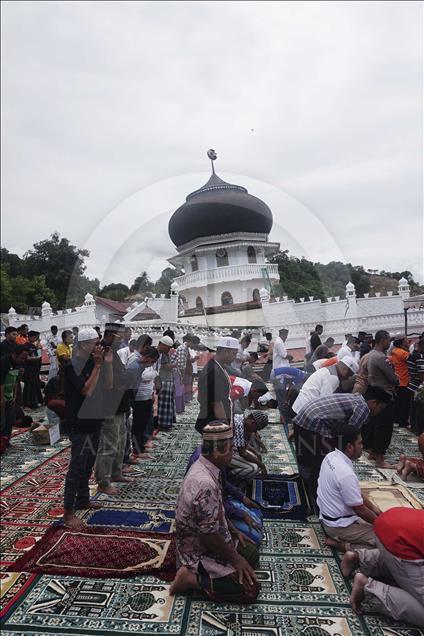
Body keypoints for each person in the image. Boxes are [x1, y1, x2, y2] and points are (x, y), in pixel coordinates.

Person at [170, 422, 260, 603]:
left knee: (251, 553)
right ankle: (190, 579)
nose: (233, 454)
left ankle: (212, 571)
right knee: (249, 590)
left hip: (209, 534)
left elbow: (216, 509)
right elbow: (208, 534)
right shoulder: (205, 483)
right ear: (217, 452)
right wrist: (235, 560)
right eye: (231, 450)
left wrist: (233, 530)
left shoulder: (208, 465)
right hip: (197, 548)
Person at [293, 388, 391, 502]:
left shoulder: (356, 397)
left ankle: (304, 487)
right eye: (380, 408)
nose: (379, 412)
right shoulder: (363, 408)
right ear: (374, 402)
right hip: (313, 423)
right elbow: (349, 435)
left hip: (302, 418)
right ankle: (318, 497)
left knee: (307, 456)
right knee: (323, 460)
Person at [63, 327, 113, 529]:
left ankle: (83, 499)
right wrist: (99, 366)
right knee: (76, 467)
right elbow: (86, 390)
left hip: (94, 420)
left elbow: (108, 386)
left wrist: (106, 364)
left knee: (88, 463)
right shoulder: (73, 365)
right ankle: (68, 512)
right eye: (95, 342)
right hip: (80, 423)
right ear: (84, 345)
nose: (99, 346)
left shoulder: (95, 363)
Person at [341, 508, 424, 627]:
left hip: (390, 520)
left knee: (402, 564)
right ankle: (369, 587)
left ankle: (360, 558)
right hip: (402, 542)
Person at [317, 426, 381, 551]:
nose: (362, 446)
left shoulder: (330, 456)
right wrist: (381, 524)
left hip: (329, 519)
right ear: (350, 447)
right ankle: (346, 547)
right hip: (337, 526)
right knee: (388, 542)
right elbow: (359, 509)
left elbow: (355, 493)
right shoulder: (345, 474)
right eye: (360, 443)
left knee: (376, 521)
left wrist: (375, 510)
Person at [95, 324, 132, 495]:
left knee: (120, 441)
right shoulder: (101, 352)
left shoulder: (113, 350)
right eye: (120, 336)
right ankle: (103, 481)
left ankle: (116, 472)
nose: (123, 339)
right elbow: (104, 382)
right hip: (109, 406)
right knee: (109, 444)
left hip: (120, 405)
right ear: (110, 334)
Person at [363, 330, 399, 467]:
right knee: (385, 427)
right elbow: (393, 378)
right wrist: (397, 378)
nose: (389, 343)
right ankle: (380, 458)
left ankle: (373, 453)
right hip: (384, 394)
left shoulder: (370, 355)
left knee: (376, 424)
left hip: (375, 392)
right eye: (388, 340)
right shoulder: (380, 357)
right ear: (383, 340)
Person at [195, 337, 239, 434]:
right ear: (225, 351)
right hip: (214, 423)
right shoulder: (214, 371)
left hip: (214, 420)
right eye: (234, 354)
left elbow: (200, 398)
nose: (235, 357)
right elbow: (216, 403)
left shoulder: (218, 367)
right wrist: (226, 427)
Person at [292, 357, 359, 415]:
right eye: (349, 375)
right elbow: (325, 403)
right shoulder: (333, 377)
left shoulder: (329, 370)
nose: (347, 378)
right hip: (305, 410)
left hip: (302, 406)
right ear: (344, 369)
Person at [127, 345, 159, 456]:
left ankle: (139, 447)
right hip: (136, 398)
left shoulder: (140, 366)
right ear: (148, 357)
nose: (153, 363)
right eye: (153, 361)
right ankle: (136, 449)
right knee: (138, 424)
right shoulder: (135, 366)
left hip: (140, 396)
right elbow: (128, 385)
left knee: (141, 424)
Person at [0, 344, 30, 447]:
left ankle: (6, 442)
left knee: (10, 419)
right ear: (14, 354)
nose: (23, 360)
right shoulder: (4, 362)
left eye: (25, 358)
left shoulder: (19, 363)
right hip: (2, 395)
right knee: (2, 421)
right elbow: (1, 382)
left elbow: (16, 381)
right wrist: (2, 399)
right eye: (22, 358)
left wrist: (14, 396)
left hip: (9, 395)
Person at [228, 410, 269, 483]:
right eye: (256, 429)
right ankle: (226, 477)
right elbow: (242, 453)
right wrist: (262, 465)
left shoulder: (240, 418)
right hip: (220, 452)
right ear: (253, 423)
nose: (254, 432)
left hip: (228, 448)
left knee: (254, 457)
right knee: (253, 468)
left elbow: (241, 443)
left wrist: (255, 451)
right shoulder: (239, 425)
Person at [156, 335, 177, 431]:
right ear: (162, 345)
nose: (169, 350)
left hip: (165, 380)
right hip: (163, 380)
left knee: (165, 403)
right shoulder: (162, 354)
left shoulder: (164, 353)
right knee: (163, 404)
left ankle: (165, 423)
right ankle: (162, 423)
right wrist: (176, 364)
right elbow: (166, 367)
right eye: (168, 347)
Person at [390, 335, 411, 427]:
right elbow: (412, 358)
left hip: (399, 381)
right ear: (402, 342)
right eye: (406, 340)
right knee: (404, 404)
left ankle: (398, 420)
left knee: (399, 403)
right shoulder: (402, 353)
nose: (408, 341)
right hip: (404, 380)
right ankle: (403, 422)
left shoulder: (395, 351)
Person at [173, 334, 195, 413]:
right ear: (189, 342)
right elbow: (181, 365)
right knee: (179, 389)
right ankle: (178, 408)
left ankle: (179, 407)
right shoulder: (183, 349)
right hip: (176, 371)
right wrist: (182, 376)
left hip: (178, 370)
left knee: (180, 389)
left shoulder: (185, 348)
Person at [407, 337, 424, 433]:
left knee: (414, 409)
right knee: (419, 410)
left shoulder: (412, 355)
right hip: (418, 387)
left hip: (412, 385)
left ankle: (414, 427)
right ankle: (418, 429)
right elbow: (422, 376)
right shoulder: (419, 357)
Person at [22, 331, 43, 408]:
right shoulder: (26, 346)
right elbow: (26, 358)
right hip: (29, 370)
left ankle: (37, 400)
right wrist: (36, 358)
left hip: (35, 369)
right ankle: (30, 402)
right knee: (30, 386)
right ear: (30, 337)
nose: (36, 339)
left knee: (36, 385)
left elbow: (36, 350)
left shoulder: (32, 346)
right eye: (35, 337)